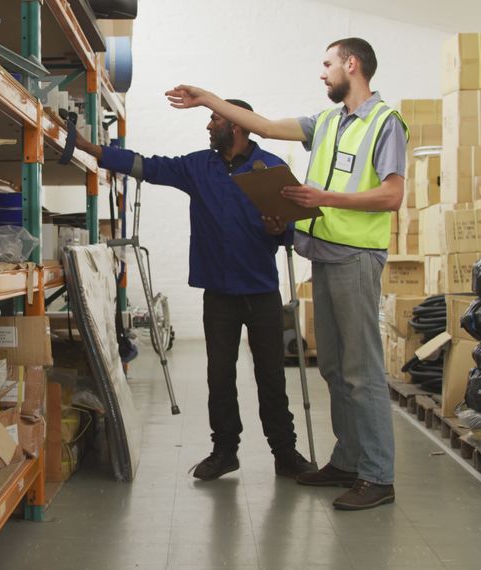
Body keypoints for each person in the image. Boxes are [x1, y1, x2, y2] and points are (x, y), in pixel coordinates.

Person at [165, 37, 407, 510]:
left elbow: (392, 196)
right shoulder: (326, 123)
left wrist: (324, 200)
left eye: (328, 64)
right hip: (325, 254)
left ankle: (378, 477)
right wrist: (209, 99)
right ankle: (348, 460)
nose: (322, 73)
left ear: (351, 65)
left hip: (357, 257)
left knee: (362, 373)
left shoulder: (384, 123)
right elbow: (264, 126)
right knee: (336, 369)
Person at [73, 99, 317, 481]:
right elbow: (146, 166)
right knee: (219, 376)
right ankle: (224, 451)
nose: (208, 125)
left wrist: (279, 230)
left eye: (215, 118)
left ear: (237, 125)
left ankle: (285, 453)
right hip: (218, 292)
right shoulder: (198, 166)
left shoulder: (271, 168)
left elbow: (290, 230)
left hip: (261, 291)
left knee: (271, 376)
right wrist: (94, 151)